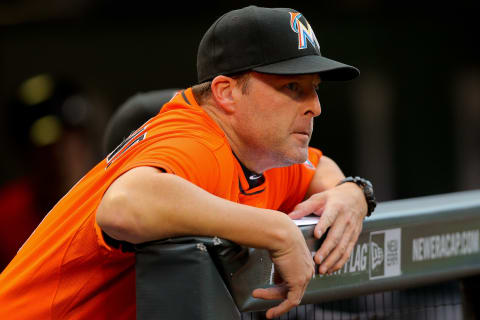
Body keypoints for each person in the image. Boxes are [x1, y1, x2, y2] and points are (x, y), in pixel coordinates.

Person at [0, 6, 376, 320]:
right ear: (226, 92)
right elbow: (123, 205)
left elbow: (317, 167)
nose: (315, 106)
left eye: (314, 88)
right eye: (292, 87)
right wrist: (275, 229)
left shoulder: (258, 150)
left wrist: (351, 191)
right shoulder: (197, 142)